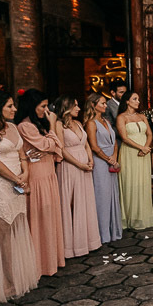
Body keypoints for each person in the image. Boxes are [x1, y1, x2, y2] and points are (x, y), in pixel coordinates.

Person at [0, 92, 39, 304]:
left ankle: (16, 278)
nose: (14, 109)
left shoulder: (12, 127)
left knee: (16, 227)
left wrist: (25, 174)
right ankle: (2, 284)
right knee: (0, 233)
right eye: (10, 106)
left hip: (17, 183)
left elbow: (22, 155)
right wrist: (16, 179)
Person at [16, 89, 66, 277]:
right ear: (32, 106)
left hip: (48, 172)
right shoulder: (25, 126)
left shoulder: (39, 125)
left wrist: (49, 145)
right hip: (37, 174)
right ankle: (39, 263)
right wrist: (52, 127)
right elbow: (48, 145)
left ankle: (51, 259)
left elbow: (57, 148)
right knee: (39, 217)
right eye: (43, 106)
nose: (46, 110)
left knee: (50, 215)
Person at [54, 95, 102, 258]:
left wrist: (90, 160)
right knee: (72, 202)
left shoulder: (79, 123)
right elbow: (61, 149)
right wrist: (79, 164)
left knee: (85, 201)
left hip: (85, 166)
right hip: (70, 167)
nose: (79, 108)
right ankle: (72, 246)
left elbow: (86, 144)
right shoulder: (59, 125)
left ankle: (88, 241)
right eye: (75, 105)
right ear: (66, 107)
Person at [84, 94, 123, 246]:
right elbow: (94, 147)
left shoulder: (106, 121)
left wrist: (114, 157)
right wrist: (108, 159)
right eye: (102, 103)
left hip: (111, 160)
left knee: (113, 194)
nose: (105, 106)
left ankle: (113, 231)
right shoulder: (91, 123)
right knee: (102, 197)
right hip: (100, 163)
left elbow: (114, 142)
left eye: (106, 103)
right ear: (93, 105)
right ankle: (102, 233)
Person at [116, 89, 153, 230]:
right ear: (127, 101)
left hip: (143, 154)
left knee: (142, 183)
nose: (138, 101)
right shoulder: (121, 117)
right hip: (130, 153)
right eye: (135, 99)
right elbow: (124, 138)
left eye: (138, 99)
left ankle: (143, 217)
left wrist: (146, 147)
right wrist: (141, 147)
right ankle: (130, 218)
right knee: (131, 183)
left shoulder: (142, 116)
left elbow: (150, 134)